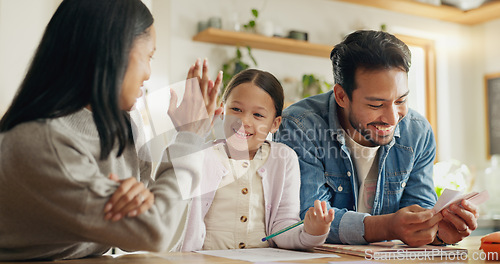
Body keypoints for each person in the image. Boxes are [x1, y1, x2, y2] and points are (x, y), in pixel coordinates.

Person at [0, 0, 221, 260]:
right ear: (111, 51)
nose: (149, 73)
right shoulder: (40, 142)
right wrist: (189, 139)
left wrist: (145, 207)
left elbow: (142, 233)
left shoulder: (122, 127)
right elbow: (152, 230)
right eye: (148, 56)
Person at [274, 30, 479, 247]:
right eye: (376, 105)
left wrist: (436, 232)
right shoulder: (300, 126)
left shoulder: (418, 133)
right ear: (342, 96)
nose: (392, 118)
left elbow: (419, 208)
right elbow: (305, 218)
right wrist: (387, 226)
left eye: (401, 100)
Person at [179, 69, 335, 251]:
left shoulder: (284, 159)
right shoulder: (202, 155)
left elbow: (283, 226)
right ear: (222, 112)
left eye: (258, 115)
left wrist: (312, 234)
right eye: (236, 109)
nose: (244, 121)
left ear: (275, 124)